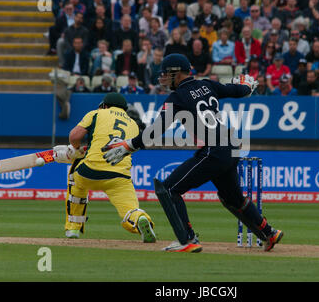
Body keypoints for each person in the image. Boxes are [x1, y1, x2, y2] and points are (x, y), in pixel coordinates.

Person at [102, 53, 284, 253]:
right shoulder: (208, 84)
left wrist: (129, 145)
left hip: (214, 150)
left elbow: (155, 131)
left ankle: (187, 239)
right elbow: (237, 90)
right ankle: (269, 232)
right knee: (233, 199)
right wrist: (247, 87)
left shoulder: (177, 97)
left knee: (170, 189)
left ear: (177, 74)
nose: (162, 78)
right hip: (231, 147)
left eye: (165, 74)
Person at [52, 92, 156, 242]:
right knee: (129, 209)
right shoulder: (133, 124)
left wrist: (74, 150)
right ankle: (139, 218)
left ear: (105, 105)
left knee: (74, 178)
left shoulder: (96, 113)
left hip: (90, 171)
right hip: (119, 177)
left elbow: (74, 136)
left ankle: (73, 227)